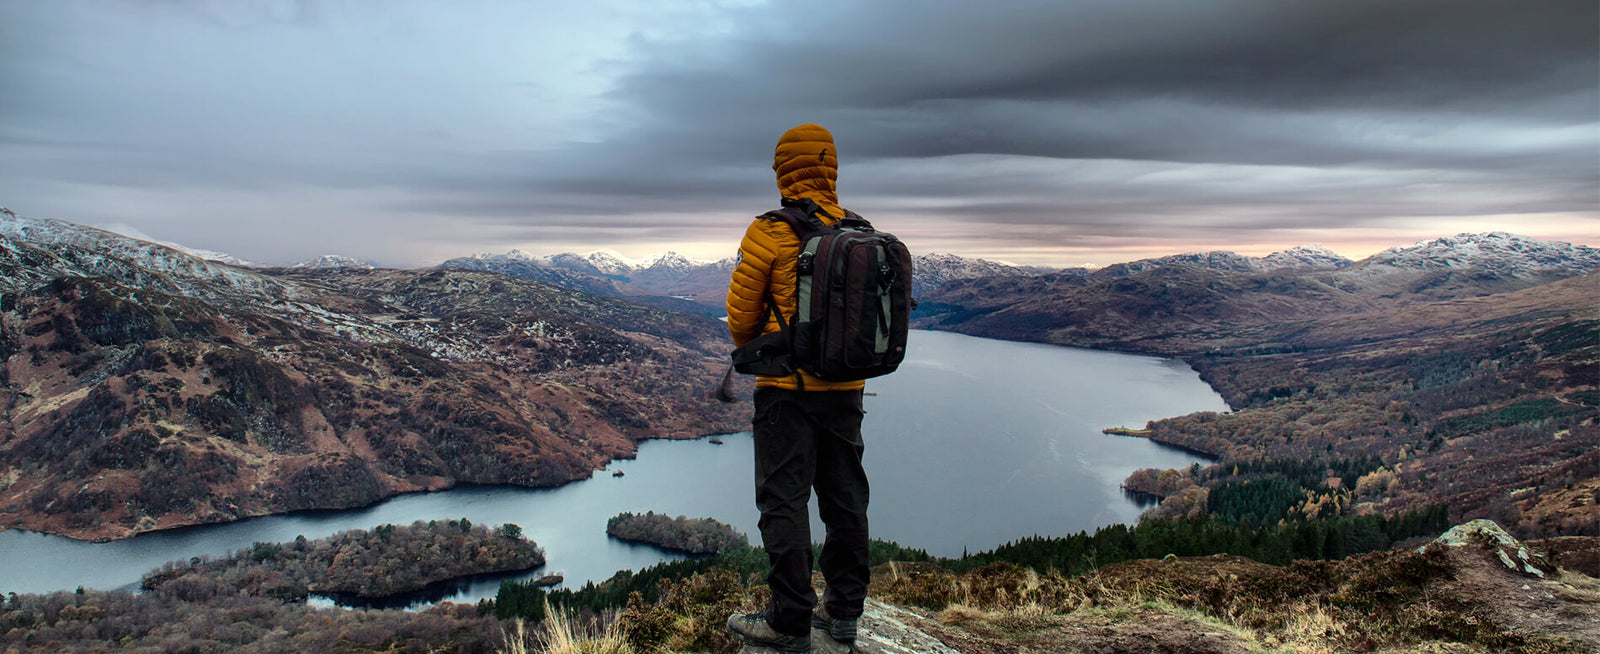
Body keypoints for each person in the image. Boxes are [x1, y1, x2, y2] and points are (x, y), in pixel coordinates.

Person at [724, 123, 870, 653]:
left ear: (783, 169)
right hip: (846, 388)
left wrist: (772, 338)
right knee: (845, 498)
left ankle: (789, 622)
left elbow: (741, 321)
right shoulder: (858, 229)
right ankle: (846, 613)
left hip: (785, 389)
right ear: (831, 165)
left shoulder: (769, 231)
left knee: (783, 501)